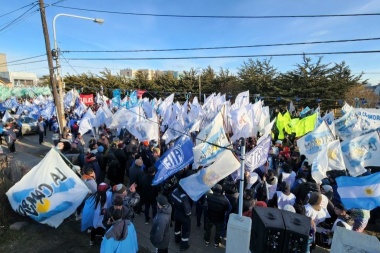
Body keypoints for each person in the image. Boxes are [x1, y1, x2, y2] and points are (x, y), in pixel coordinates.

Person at [203, 184, 230, 248]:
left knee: (208, 230)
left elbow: (205, 205)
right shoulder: (224, 200)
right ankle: (216, 243)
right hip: (219, 219)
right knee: (218, 232)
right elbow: (227, 208)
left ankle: (207, 241)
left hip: (210, 216)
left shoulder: (209, 196)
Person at [171, 183, 192, 251]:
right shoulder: (184, 197)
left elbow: (172, 201)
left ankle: (177, 240)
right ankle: (183, 246)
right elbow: (188, 211)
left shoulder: (174, 191)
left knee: (177, 228)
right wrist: (189, 215)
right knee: (186, 232)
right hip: (184, 217)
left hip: (176, 213)